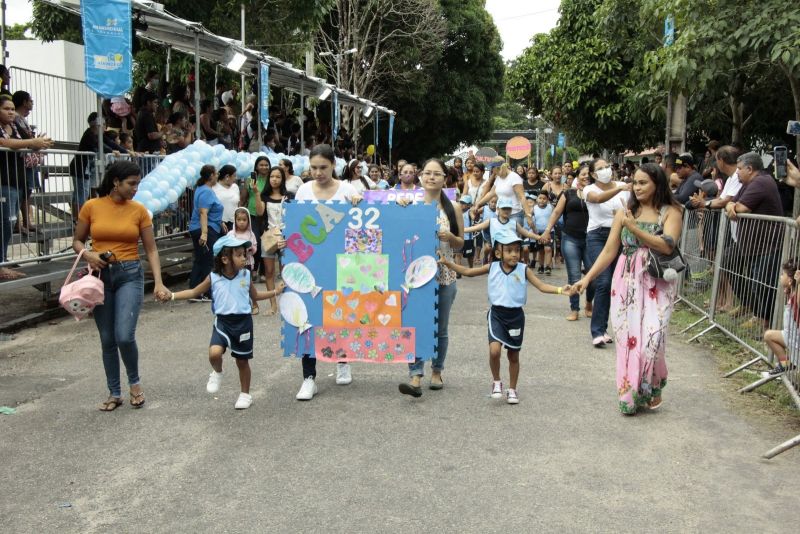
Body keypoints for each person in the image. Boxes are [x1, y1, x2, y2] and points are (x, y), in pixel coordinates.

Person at [575, 163, 682, 414]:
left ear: (658, 184)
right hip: (626, 281)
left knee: (653, 340)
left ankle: (652, 384)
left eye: (643, 182)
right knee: (629, 341)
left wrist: (634, 228)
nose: (637, 187)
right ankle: (631, 394)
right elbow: (610, 250)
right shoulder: (625, 212)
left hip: (657, 282)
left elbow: (667, 245)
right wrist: (587, 278)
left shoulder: (671, 212)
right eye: (635, 182)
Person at [72, 160, 168, 411]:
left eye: (137, 183)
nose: (136, 188)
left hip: (129, 274)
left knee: (124, 335)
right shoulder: (91, 206)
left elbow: (151, 249)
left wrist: (158, 282)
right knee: (107, 338)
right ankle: (114, 392)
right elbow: (77, 241)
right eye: (131, 183)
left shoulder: (139, 211)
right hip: (100, 276)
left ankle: (134, 383)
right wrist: (89, 255)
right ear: (116, 182)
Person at [440, 227, 572, 404]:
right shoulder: (492, 267)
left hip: (516, 316)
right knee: (494, 351)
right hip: (496, 314)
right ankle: (496, 382)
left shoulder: (524, 269)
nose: (514, 254)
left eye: (517, 250)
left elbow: (541, 286)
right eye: (509, 251)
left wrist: (560, 290)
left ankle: (512, 389)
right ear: (498, 252)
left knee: (513, 356)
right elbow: (469, 272)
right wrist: (449, 264)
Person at [162, 235, 285, 409]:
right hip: (223, 323)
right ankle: (218, 371)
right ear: (225, 259)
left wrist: (275, 292)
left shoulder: (245, 274)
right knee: (214, 354)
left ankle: (245, 394)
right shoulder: (213, 277)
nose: (244, 258)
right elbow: (194, 292)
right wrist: (172, 295)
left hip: (243, 323)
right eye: (240, 255)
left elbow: (255, 296)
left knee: (242, 361)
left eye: (245, 254)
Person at [293, 144, 362, 400]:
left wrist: (358, 204)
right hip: (309, 263)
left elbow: (361, 227)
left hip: (345, 264)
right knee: (307, 318)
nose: (318, 172)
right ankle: (309, 377)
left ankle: (342, 360)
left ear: (334, 165)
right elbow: (296, 229)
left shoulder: (347, 190)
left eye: (323, 167)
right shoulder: (302, 191)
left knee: (340, 312)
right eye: (314, 168)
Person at [398, 158, 464, 397]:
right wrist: (400, 207)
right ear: (419, 176)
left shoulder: (453, 208)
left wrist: (449, 237)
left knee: (440, 328)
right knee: (415, 324)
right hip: (415, 278)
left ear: (444, 178)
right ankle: (415, 375)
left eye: (437, 174)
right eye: (427, 173)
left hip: (444, 275)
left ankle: (437, 371)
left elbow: (460, 245)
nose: (431, 177)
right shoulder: (410, 204)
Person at [725, 152, 784, 329]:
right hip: (752, 245)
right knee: (734, 266)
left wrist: (733, 207)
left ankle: (765, 322)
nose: (737, 174)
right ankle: (753, 309)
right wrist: (731, 206)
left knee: (763, 285)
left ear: (750, 169)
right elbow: (732, 203)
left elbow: (740, 208)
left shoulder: (761, 182)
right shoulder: (748, 183)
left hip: (767, 245)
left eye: (740, 169)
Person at [0, 95, 53, 279]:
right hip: (3, 181)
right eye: (6, 109)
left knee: (9, 222)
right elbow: (5, 143)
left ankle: (2, 262)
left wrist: (40, 143)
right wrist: (31, 143)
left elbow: (29, 141)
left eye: (13, 109)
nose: (11, 112)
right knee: (4, 223)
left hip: (16, 181)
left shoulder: (15, 127)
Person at [585, 158, 631, 347]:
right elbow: (597, 199)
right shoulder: (590, 190)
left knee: (617, 282)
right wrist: (621, 189)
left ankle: (610, 328)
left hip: (621, 235)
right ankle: (597, 331)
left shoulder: (623, 186)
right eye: (600, 168)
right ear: (593, 174)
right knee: (603, 281)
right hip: (598, 235)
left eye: (607, 167)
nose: (605, 170)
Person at [542, 163, 594, 321]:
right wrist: (547, 230)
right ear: (578, 176)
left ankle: (589, 303)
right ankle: (574, 308)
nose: (585, 176)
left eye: (588, 174)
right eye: (582, 174)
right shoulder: (568, 193)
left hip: (592, 238)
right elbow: (557, 212)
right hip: (570, 238)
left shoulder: (598, 195)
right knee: (574, 274)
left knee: (592, 274)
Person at [254, 165, 289, 315]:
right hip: (268, 236)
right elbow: (259, 211)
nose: (274, 180)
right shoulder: (264, 196)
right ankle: (273, 305)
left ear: (282, 179)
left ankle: (287, 305)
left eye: (278, 177)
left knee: (285, 271)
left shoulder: (289, 197)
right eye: (272, 177)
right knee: (269, 272)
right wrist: (256, 193)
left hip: (286, 236)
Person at [188, 165, 224, 302]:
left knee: (201, 260)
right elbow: (203, 212)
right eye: (216, 174)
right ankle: (203, 291)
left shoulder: (204, 189)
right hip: (205, 229)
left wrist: (220, 222)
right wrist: (204, 233)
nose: (217, 176)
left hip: (207, 227)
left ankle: (196, 291)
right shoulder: (206, 191)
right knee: (207, 261)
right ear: (211, 176)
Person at [761, 259, 800, 378]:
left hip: (796, 338)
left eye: (782, 274)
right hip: (790, 335)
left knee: (769, 336)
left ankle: (789, 367)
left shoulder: (797, 294)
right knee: (769, 335)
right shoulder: (791, 292)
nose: (780, 276)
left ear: (790, 279)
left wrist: (799, 283)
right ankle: (786, 364)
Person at [473, 163, 532, 230]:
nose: (495, 174)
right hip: (500, 214)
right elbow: (491, 193)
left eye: (495, 172)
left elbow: (522, 197)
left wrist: (528, 216)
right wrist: (479, 204)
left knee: (513, 239)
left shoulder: (514, 177)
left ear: (501, 168)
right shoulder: (499, 178)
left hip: (514, 214)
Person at [241, 156, 271, 276]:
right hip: (252, 214)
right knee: (256, 241)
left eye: (266, 165)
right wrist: (240, 209)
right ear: (256, 167)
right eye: (261, 165)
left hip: (267, 215)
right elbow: (244, 196)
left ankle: (263, 272)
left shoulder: (271, 179)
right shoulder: (250, 180)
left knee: (266, 243)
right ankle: (254, 268)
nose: (264, 167)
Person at [212, 164, 240, 230]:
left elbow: (237, 204)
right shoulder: (214, 187)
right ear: (227, 176)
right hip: (219, 222)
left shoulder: (235, 187)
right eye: (234, 176)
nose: (235, 178)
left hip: (233, 222)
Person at [532, 192, 554, 275]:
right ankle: (541, 266)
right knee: (541, 250)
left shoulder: (550, 207)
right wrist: (534, 232)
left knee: (548, 249)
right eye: (540, 198)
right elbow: (530, 219)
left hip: (549, 232)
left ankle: (548, 267)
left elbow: (555, 216)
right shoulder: (534, 208)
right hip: (539, 232)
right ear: (537, 199)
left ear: (547, 200)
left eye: (544, 198)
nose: (542, 200)